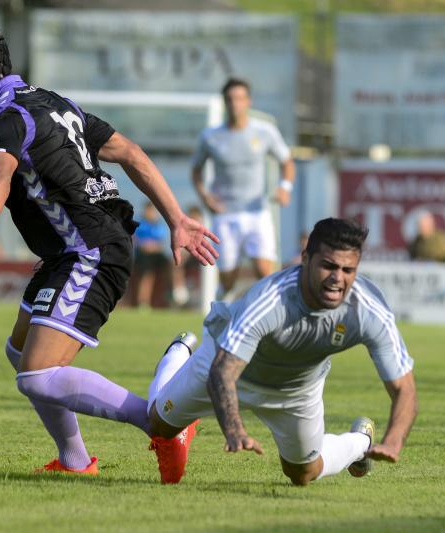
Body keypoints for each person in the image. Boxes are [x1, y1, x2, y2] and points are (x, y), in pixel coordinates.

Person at [0, 24, 219, 475]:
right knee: (20, 353)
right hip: (70, 251)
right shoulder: (54, 103)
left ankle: (163, 422)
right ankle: (74, 461)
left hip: (89, 251)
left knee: (36, 374)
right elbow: (128, 151)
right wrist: (176, 218)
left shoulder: (0, 120)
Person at [145, 218, 418, 485]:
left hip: (296, 390)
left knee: (303, 474)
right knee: (158, 425)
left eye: (348, 270)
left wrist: (393, 442)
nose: (338, 279)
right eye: (328, 266)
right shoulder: (272, 299)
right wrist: (234, 429)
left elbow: (404, 387)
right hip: (224, 366)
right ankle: (179, 353)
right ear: (305, 259)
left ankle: (361, 442)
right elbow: (223, 371)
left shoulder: (368, 310)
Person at [191, 77, 296, 298]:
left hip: (257, 212)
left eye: (239, 98)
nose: (234, 103)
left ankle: (271, 323)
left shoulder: (264, 131)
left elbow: (287, 161)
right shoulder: (211, 136)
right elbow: (196, 172)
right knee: (228, 280)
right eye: (230, 99)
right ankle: (218, 316)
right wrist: (206, 198)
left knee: (265, 272)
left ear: (248, 101)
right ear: (224, 102)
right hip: (225, 216)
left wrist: (285, 187)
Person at [132, 201, 170, 308]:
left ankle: (173, 293)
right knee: (147, 276)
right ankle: (143, 302)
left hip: (156, 255)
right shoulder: (139, 224)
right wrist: (145, 245)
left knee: (171, 265)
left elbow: (161, 244)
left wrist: (152, 246)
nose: (151, 213)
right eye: (149, 210)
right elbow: (134, 240)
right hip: (142, 256)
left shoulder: (159, 226)